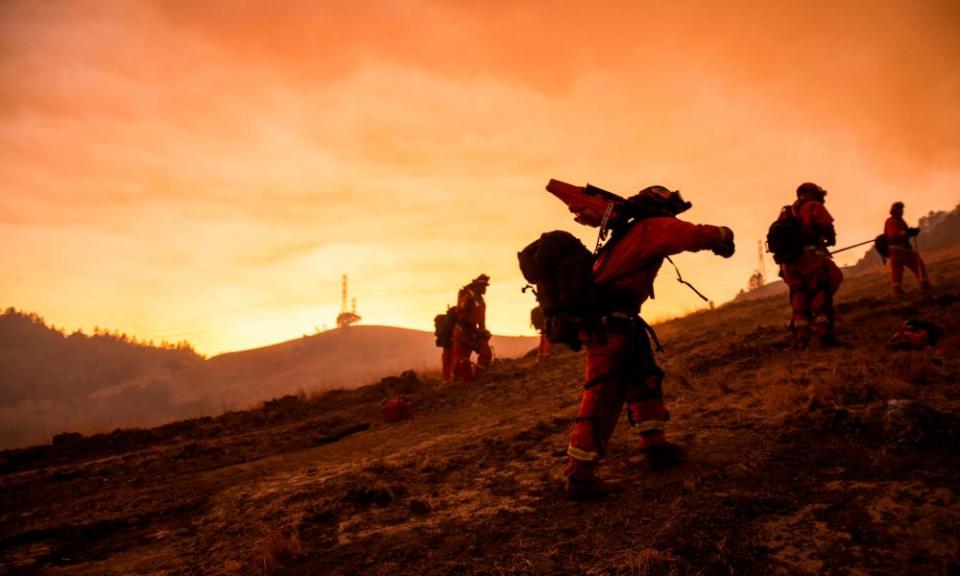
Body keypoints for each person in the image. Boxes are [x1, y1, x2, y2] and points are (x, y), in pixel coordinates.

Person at [562, 185, 735, 500]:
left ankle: (656, 447)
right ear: (661, 206)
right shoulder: (650, 227)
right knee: (603, 393)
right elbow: (689, 235)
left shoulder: (624, 236)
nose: (673, 214)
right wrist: (722, 235)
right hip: (612, 326)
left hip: (621, 322)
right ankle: (580, 475)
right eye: (671, 209)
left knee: (643, 379)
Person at [779, 182, 843, 348]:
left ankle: (802, 338)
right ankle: (824, 335)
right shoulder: (814, 206)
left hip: (788, 263)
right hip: (811, 258)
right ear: (816, 194)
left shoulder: (787, 212)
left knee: (799, 294)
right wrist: (829, 238)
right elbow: (828, 229)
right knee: (820, 290)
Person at [884, 202, 931, 297]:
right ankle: (925, 285)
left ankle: (897, 291)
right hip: (899, 251)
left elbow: (904, 233)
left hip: (896, 251)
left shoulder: (900, 221)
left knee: (897, 271)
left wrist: (910, 232)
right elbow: (894, 234)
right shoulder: (891, 221)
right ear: (894, 211)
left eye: (902, 209)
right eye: (900, 209)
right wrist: (907, 232)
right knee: (917, 264)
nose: (902, 211)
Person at [451, 274, 493, 382]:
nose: (485, 289)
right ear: (477, 286)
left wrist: (484, 333)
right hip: (462, 333)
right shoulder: (467, 295)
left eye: (485, 286)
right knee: (462, 361)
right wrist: (465, 304)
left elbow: (482, 322)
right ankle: (459, 381)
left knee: (486, 352)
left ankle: (479, 377)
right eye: (482, 286)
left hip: (474, 333)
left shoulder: (482, 302)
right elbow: (459, 310)